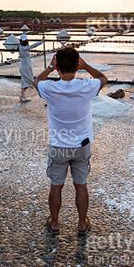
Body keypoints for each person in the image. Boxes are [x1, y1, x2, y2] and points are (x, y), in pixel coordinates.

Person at [34, 47, 107, 235]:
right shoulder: (86, 87)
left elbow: (36, 81)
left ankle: (55, 223)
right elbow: (103, 79)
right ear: (77, 65)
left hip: (59, 147)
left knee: (56, 185)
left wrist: (50, 66)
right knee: (81, 185)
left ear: (58, 66)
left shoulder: (49, 88)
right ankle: (82, 223)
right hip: (82, 146)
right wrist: (86, 65)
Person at [18, 34, 43, 102]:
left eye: (25, 40)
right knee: (31, 81)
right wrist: (41, 42)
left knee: (25, 82)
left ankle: (22, 96)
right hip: (25, 66)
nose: (25, 41)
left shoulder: (21, 46)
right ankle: (43, 94)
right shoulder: (23, 47)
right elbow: (32, 46)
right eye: (24, 40)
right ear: (21, 41)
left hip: (25, 65)